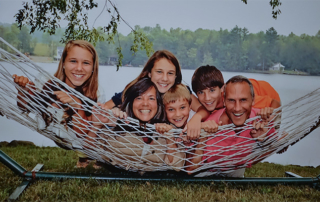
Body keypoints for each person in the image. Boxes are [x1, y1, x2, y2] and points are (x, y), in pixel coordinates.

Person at [12, 40, 105, 168]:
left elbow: (86, 133)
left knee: (101, 139)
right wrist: (22, 91)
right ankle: (85, 158)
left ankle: (92, 157)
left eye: (86, 63)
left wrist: (76, 105)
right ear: (63, 64)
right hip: (57, 133)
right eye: (73, 61)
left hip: (83, 140)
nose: (79, 68)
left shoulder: (96, 93)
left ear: (93, 67)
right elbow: (24, 106)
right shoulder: (48, 84)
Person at [102, 50, 210, 139]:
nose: (165, 78)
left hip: (162, 142)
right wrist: (115, 111)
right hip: (135, 138)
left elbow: (202, 109)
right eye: (159, 72)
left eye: (170, 73)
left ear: (176, 76)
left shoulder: (180, 92)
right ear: (149, 73)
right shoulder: (137, 90)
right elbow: (105, 108)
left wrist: (196, 119)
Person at [187, 75, 276, 177]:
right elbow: (190, 169)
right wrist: (203, 137)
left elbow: (276, 145)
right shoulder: (211, 123)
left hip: (237, 167)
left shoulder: (261, 120)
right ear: (224, 101)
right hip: (208, 170)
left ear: (253, 100)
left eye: (243, 100)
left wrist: (263, 142)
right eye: (231, 100)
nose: (237, 108)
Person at [89, 77, 186, 171]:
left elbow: (177, 166)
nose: (145, 103)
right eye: (139, 98)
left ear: (158, 104)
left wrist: (170, 139)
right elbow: (89, 149)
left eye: (151, 98)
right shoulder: (119, 122)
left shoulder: (168, 129)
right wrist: (96, 125)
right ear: (131, 103)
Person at [187, 65, 281, 140]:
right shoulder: (210, 108)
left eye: (212, 90)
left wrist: (271, 114)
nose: (207, 98)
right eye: (201, 92)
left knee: (263, 131)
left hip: (269, 95)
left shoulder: (237, 97)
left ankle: (280, 139)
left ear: (222, 88)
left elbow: (275, 102)